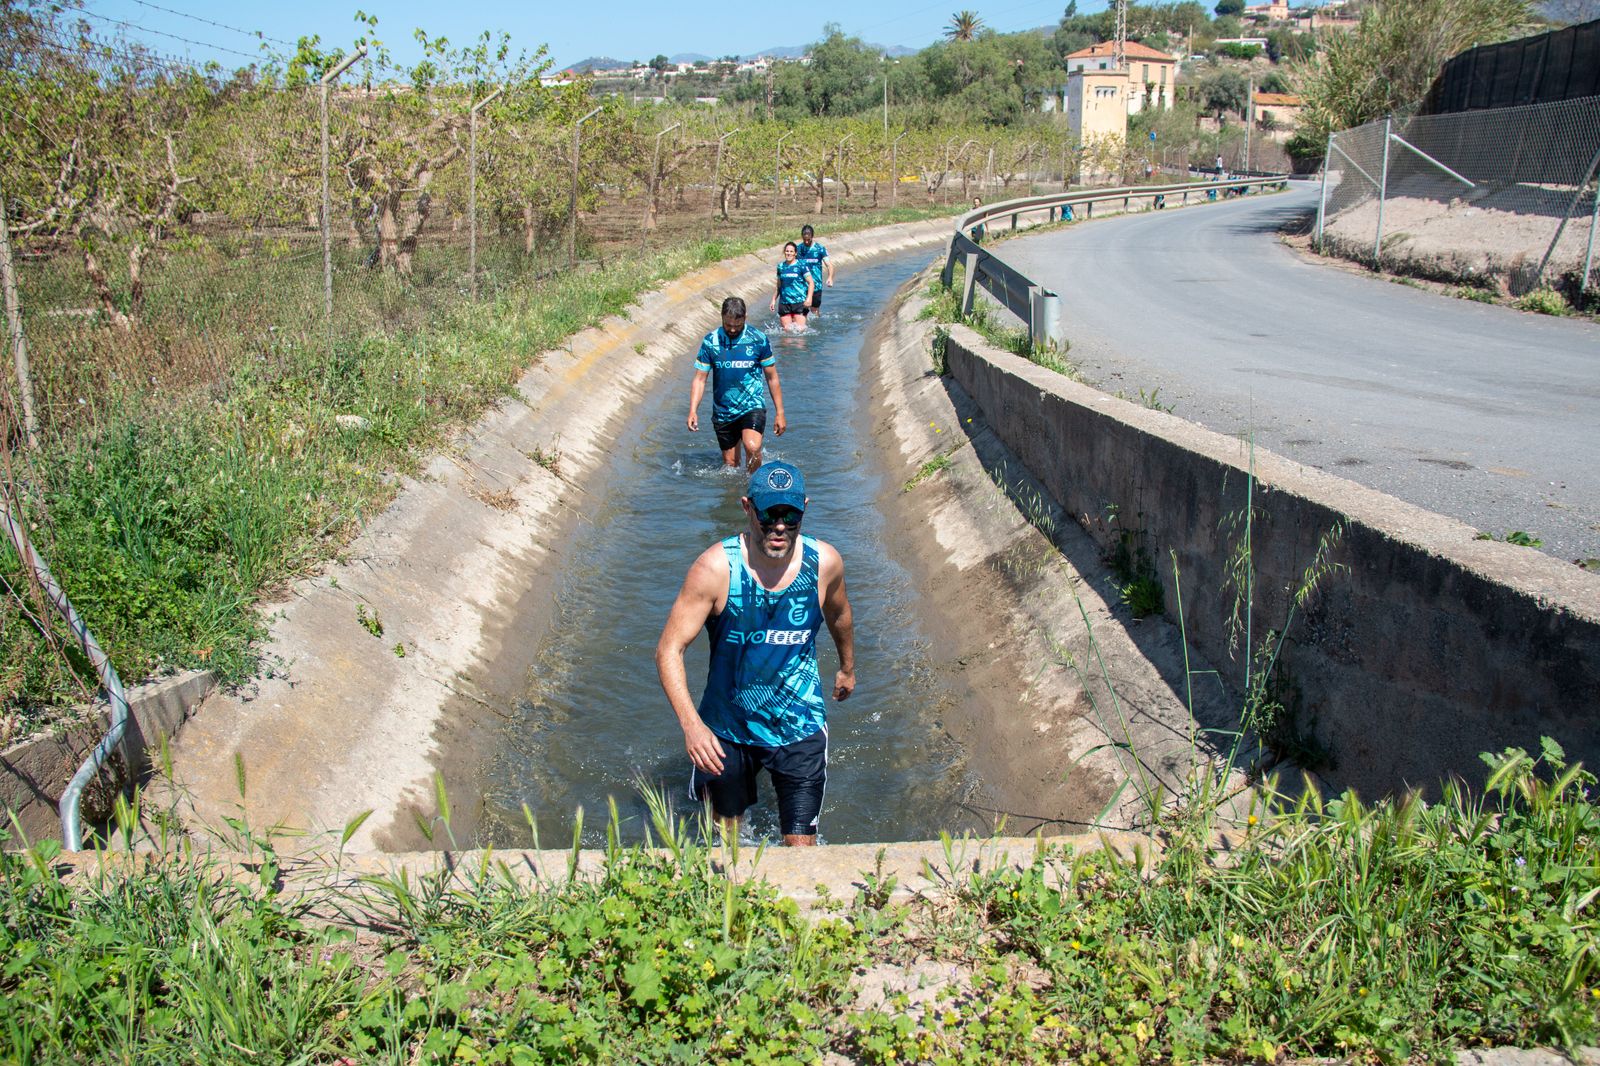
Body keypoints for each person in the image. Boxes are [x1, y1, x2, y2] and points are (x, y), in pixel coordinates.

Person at [656, 461, 855, 847]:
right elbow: (669, 649)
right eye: (768, 514)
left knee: (801, 852)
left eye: (790, 514)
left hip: (799, 721)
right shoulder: (715, 569)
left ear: (804, 510)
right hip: (726, 727)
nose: (779, 526)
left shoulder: (824, 563)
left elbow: (840, 613)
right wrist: (691, 726)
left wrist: (848, 667)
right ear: (748, 507)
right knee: (728, 847)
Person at [689, 296, 786, 471]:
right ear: (721, 317)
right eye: (728, 325)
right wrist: (693, 410)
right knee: (731, 465)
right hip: (723, 411)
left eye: (738, 325)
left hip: (752, 406)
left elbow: (772, 377)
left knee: (752, 446)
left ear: (745, 318)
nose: (733, 329)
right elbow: (700, 379)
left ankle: (754, 488)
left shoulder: (758, 339)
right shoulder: (710, 342)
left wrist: (780, 412)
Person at [771, 241, 814, 332]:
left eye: (791, 251)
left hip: (799, 303)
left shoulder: (802, 266)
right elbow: (779, 285)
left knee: (800, 332)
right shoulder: (781, 267)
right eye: (787, 251)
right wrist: (773, 300)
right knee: (787, 332)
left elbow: (811, 283)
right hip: (784, 303)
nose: (789, 253)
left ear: (795, 253)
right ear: (784, 252)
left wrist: (809, 298)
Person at [795, 224, 832, 317]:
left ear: (812, 236)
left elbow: (829, 265)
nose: (806, 241)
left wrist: (830, 277)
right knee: (802, 311)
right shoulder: (798, 249)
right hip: (802, 285)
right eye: (804, 239)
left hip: (816, 285)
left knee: (814, 310)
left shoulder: (820, 249)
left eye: (808, 239)